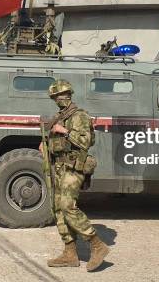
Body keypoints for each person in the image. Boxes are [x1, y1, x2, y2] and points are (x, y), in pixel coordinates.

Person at [41, 79, 109, 271]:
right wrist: (47, 143)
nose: (59, 99)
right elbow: (56, 140)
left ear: (68, 95)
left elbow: (84, 142)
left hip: (73, 167)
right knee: (57, 209)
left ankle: (97, 244)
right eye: (56, 97)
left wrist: (64, 130)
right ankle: (70, 253)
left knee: (67, 206)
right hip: (59, 167)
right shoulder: (60, 115)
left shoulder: (80, 116)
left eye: (61, 96)